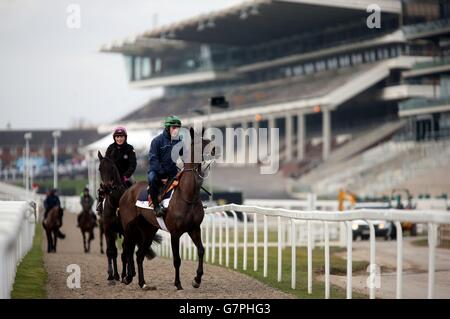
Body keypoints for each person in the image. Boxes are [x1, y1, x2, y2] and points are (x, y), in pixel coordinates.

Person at [148, 115, 184, 217]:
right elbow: (153, 159)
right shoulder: (156, 141)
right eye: (174, 127)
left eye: (177, 128)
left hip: (172, 171)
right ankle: (156, 207)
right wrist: (162, 172)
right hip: (157, 172)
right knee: (152, 178)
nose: (176, 130)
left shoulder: (179, 141)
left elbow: (185, 155)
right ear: (167, 128)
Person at [96, 127, 137, 214]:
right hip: (112, 176)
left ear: (125, 137)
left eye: (121, 136)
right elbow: (106, 163)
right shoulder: (110, 148)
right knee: (102, 187)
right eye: (117, 137)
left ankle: (136, 208)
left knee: (135, 187)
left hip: (126, 175)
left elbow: (133, 164)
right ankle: (100, 204)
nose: (119, 139)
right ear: (114, 138)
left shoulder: (130, 148)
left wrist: (126, 176)